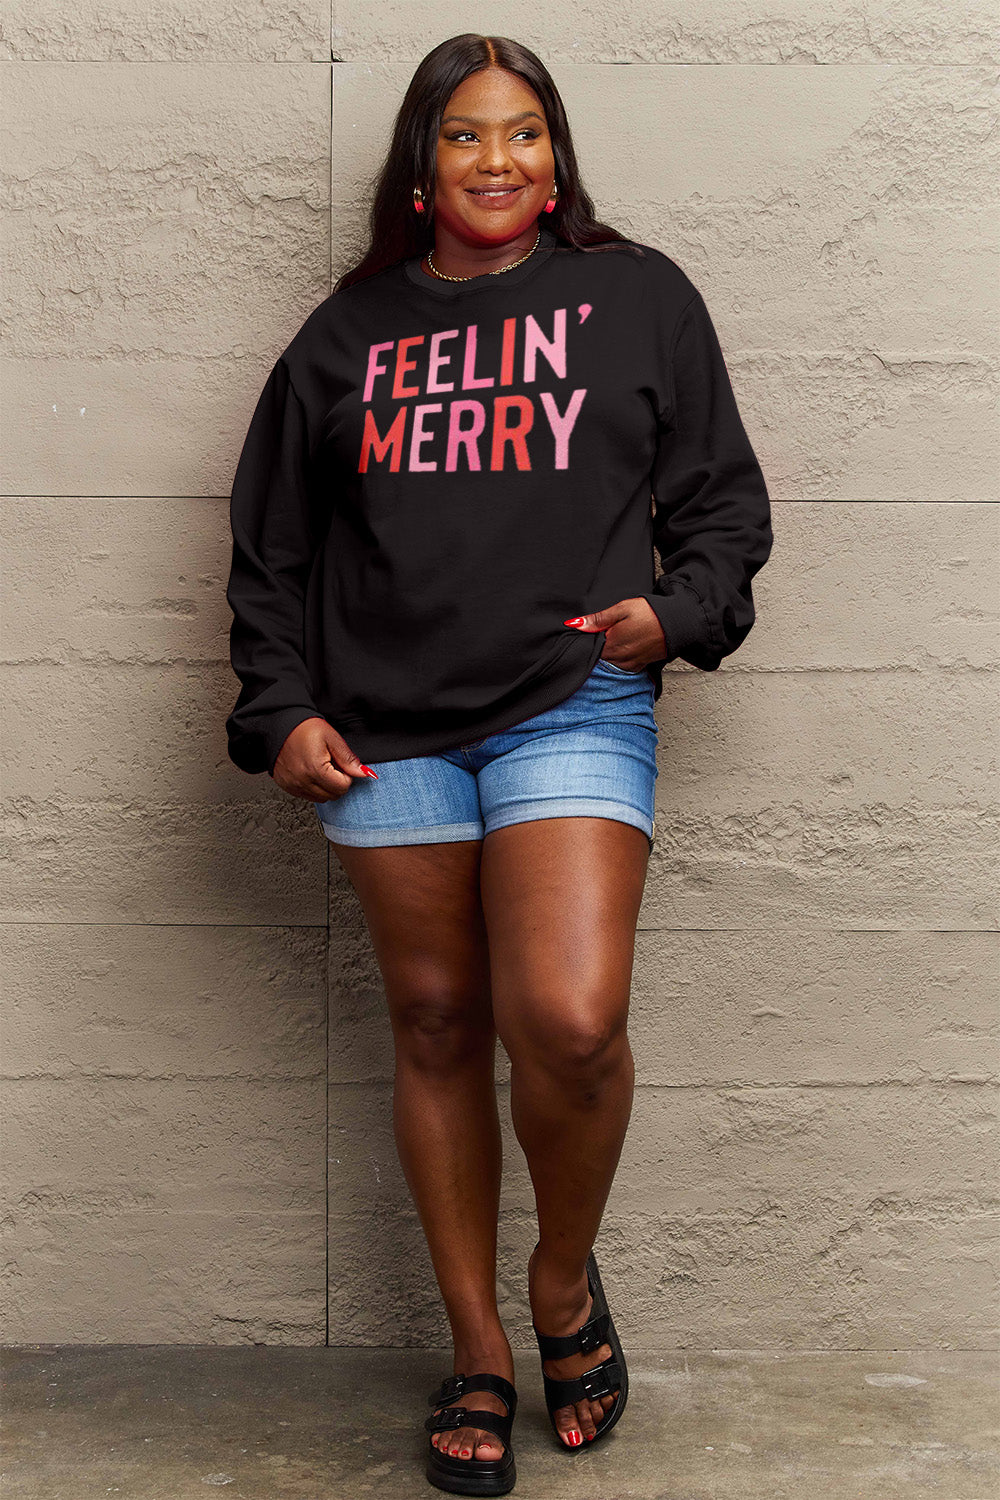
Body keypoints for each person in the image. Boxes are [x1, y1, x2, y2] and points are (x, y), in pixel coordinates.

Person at [224, 32, 773, 1498]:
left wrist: (676, 614)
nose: (497, 160)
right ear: (421, 163)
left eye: (524, 132)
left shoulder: (637, 297)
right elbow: (271, 549)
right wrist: (280, 709)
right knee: (438, 1020)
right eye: (465, 134)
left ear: (556, 154)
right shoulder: (344, 337)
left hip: (568, 700)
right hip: (381, 726)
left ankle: (561, 1283)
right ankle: (475, 1346)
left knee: (571, 1021)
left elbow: (723, 503)